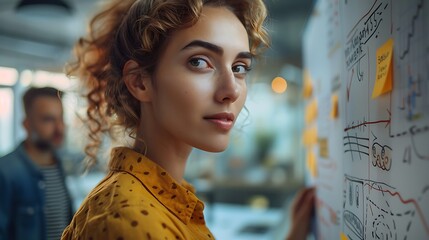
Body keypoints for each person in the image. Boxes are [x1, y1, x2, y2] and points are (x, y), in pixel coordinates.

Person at [61, 0, 314, 239]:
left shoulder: (168, 197)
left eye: (239, 67)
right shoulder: (129, 221)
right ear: (139, 81)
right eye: (199, 62)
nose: (232, 90)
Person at [0, 87, 73, 240]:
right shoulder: (6, 171)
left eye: (61, 118)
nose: (59, 128)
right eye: (48, 119)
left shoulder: (59, 165)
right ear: (27, 124)